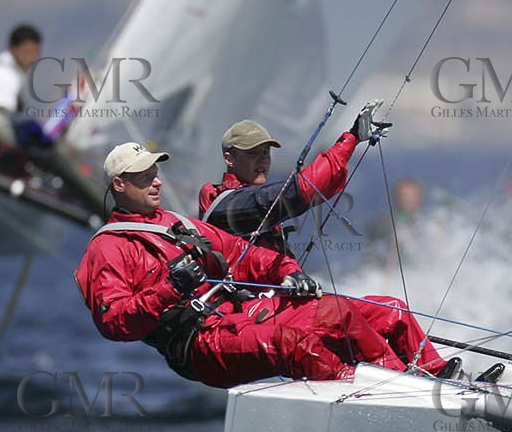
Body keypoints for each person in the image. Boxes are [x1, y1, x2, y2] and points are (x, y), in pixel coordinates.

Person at [77, 142, 456, 389]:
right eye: (144, 178)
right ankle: (373, 388)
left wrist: (288, 272)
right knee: (292, 343)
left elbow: (244, 255)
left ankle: (428, 378)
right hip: (199, 345)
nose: (156, 182)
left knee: (369, 310)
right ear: (120, 185)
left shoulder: (180, 224)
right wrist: (169, 288)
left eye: (155, 174)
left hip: (237, 318)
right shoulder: (108, 248)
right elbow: (114, 323)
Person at [197, 100, 389, 255]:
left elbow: (322, 188)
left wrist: (353, 142)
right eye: (252, 153)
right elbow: (305, 188)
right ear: (229, 159)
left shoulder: (251, 196)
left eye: (265, 153)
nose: (262, 160)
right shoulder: (225, 201)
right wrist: (351, 137)